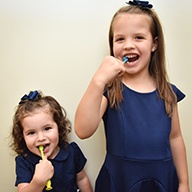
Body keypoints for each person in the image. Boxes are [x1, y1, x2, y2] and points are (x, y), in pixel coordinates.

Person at [74, 1, 189, 192]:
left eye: (138, 37)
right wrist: (98, 81)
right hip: (120, 180)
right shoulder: (110, 90)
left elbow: (175, 138)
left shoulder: (168, 92)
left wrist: (184, 183)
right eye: (120, 39)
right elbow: (82, 130)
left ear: (154, 44)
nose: (128, 45)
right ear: (112, 45)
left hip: (162, 180)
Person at [10, 90, 93, 192]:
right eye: (31, 133)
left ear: (59, 127)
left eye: (47, 128)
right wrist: (38, 181)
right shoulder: (24, 161)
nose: (40, 138)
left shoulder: (72, 151)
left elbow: (82, 179)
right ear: (22, 136)